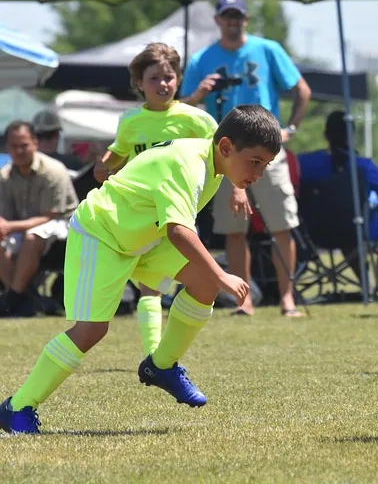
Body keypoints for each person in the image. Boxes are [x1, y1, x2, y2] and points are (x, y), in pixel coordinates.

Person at [0, 105, 280, 435]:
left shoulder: (212, 159)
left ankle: (161, 366)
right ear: (226, 147)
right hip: (102, 233)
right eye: (256, 162)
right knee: (91, 330)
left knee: (203, 283)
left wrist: (214, 275)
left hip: (143, 236)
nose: (259, 173)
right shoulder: (189, 165)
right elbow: (178, 230)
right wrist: (222, 274)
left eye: (266, 165)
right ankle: (17, 406)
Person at [180, 0, 311, 318]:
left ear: (245, 19)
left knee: (282, 224)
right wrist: (199, 93)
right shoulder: (201, 59)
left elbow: (302, 90)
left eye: (237, 15)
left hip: (268, 150)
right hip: (225, 155)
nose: (232, 21)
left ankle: (287, 299)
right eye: (226, 15)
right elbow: (182, 110)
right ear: (217, 20)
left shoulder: (267, 49)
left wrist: (289, 130)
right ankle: (244, 301)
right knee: (233, 228)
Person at [94, 43, 219, 356]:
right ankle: (156, 357)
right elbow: (119, 151)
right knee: (150, 285)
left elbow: (224, 156)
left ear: (178, 79)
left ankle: (161, 356)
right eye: (154, 78)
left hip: (178, 213)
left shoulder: (197, 120)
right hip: (142, 216)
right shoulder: (131, 121)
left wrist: (240, 190)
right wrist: (105, 163)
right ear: (139, 83)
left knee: (180, 282)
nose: (163, 84)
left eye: (169, 77)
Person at [298, 111, 378, 295]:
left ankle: (365, 284)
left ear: (326, 135)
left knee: (346, 228)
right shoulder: (363, 165)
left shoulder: (304, 163)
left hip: (314, 233)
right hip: (357, 229)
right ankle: (377, 290)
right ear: (351, 136)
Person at [0, 122, 79, 317]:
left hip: (65, 226)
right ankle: (24, 298)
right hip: (24, 226)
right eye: (14, 146)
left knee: (32, 236)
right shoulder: (5, 175)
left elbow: (50, 216)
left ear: (35, 143)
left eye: (24, 145)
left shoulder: (53, 170)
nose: (19, 150)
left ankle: (13, 298)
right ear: (7, 147)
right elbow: (5, 214)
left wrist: (8, 226)